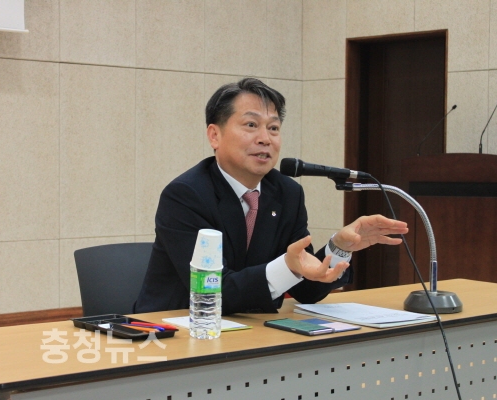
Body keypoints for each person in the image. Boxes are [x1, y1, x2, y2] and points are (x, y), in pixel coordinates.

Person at [134, 78, 408, 315]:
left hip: (251, 330)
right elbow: (214, 291)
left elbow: (307, 290)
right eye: (251, 124)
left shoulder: (287, 193)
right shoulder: (186, 195)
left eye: (273, 128)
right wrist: (287, 267)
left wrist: (339, 248)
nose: (265, 138)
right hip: (177, 330)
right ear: (214, 135)